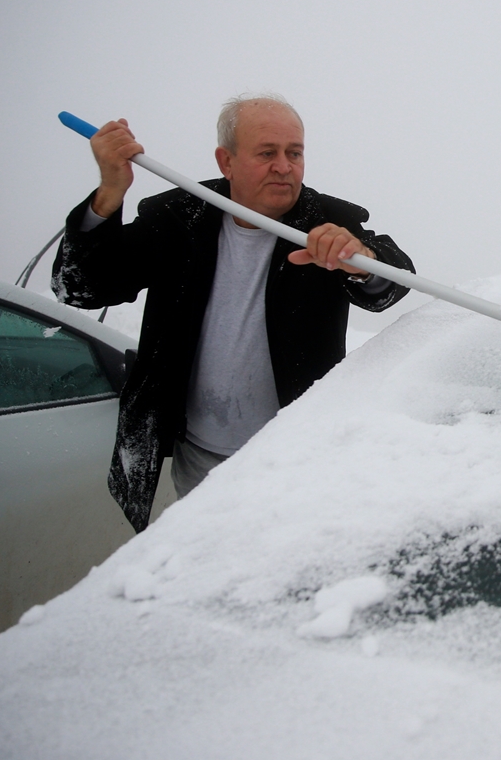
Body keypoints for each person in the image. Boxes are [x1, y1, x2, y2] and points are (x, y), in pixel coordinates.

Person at [53, 94, 414, 533]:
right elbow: (80, 287)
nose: (284, 166)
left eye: (294, 153)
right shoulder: (177, 215)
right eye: (267, 153)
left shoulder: (330, 222)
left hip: (297, 457)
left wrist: (361, 260)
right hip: (200, 459)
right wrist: (111, 191)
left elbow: (389, 287)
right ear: (226, 160)